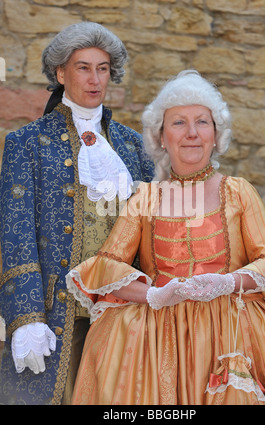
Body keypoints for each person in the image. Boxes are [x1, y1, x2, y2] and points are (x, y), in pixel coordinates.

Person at [66, 70, 265, 405]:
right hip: (161, 340)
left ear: (216, 136)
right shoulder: (145, 198)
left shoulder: (238, 192)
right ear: (161, 137)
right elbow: (107, 271)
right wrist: (154, 295)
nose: (191, 133)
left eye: (202, 122)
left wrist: (230, 282)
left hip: (230, 332)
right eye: (178, 123)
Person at [0, 21, 154, 405]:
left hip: (122, 313)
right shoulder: (26, 142)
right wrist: (26, 317)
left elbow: (154, 230)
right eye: (83, 67)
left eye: (102, 68)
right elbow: (15, 233)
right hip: (55, 314)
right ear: (60, 73)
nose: (94, 78)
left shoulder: (134, 146)